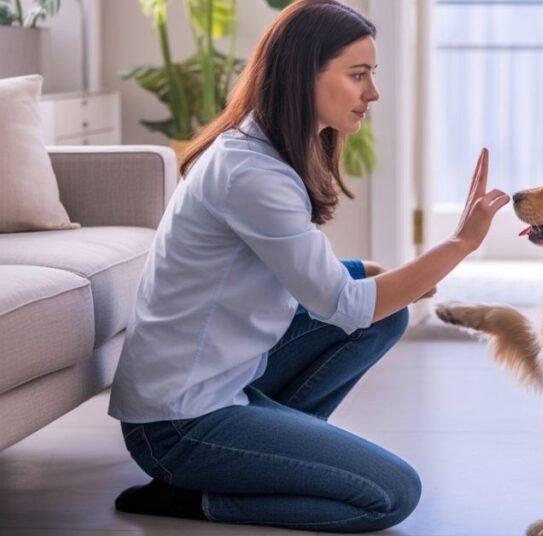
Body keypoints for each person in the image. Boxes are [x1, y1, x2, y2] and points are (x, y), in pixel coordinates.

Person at [108, 0, 509, 532]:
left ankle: (266, 456)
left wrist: (368, 272)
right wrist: (459, 244)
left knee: (383, 303)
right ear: (304, 76)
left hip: (223, 383)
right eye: (358, 75)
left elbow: (285, 275)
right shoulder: (253, 174)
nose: (373, 93)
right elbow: (343, 306)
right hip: (177, 423)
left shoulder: (265, 149)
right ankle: (198, 495)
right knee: (390, 495)